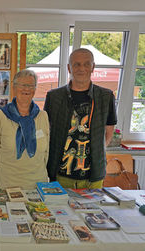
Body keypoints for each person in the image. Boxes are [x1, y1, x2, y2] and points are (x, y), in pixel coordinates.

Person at [44, 48, 117, 189]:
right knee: (59, 210)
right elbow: (47, 130)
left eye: (86, 64)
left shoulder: (105, 97)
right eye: (76, 64)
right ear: (69, 68)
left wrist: (97, 152)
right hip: (60, 174)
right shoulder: (54, 97)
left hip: (93, 177)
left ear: (93, 67)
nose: (81, 68)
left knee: (93, 211)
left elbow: (109, 131)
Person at [0, 69, 49, 190]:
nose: (27, 89)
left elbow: (46, 152)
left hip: (38, 186)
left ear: (35, 89)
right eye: (22, 85)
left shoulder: (43, 116)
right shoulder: (1, 115)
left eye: (31, 85)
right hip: (6, 185)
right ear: (14, 88)